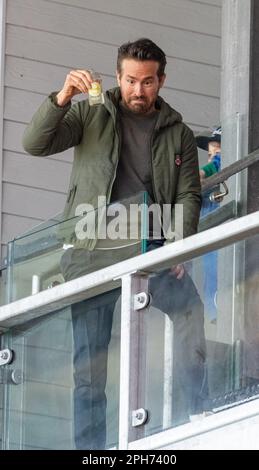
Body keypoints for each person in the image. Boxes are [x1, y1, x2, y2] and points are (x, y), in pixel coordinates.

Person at [23, 38, 208, 449]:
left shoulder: (177, 133)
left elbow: (189, 195)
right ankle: (90, 452)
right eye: (130, 81)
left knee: (190, 309)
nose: (138, 91)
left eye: (147, 82)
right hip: (91, 253)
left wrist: (181, 245)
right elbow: (35, 143)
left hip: (151, 249)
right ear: (118, 76)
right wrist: (61, 98)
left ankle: (191, 418)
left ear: (161, 80)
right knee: (90, 365)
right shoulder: (91, 112)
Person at [196, 127, 222, 322]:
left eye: (218, 153)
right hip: (215, 290)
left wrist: (203, 173)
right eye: (210, 154)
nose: (212, 158)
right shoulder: (205, 196)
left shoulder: (214, 167)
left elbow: (216, 167)